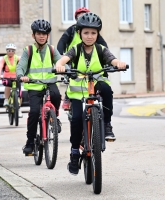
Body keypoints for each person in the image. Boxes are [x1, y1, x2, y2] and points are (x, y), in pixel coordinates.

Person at [55, 12, 127, 175]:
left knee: (107, 90)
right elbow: (63, 59)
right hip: (78, 89)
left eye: (93, 33)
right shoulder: (75, 49)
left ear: (97, 34)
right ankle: (74, 152)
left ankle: (107, 125)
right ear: (79, 33)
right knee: (77, 120)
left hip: (96, 82)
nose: (89, 36)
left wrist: (119, 63)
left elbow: (112, 59)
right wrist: (60, 65)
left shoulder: (101, 49)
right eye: (86, 32)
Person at [17, 19, 64, 154]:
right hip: (34, 86)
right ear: (33, 35)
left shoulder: (52, 50)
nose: (42, 36)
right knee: (34, 113)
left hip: (50, 84)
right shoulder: (28, 50)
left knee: (56, 95)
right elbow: (21, 66)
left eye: (44, 33)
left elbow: (61, 62)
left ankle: (55, 118)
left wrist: (65, 70)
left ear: (48, 35)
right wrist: (21, 75)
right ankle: (30, 142)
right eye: (38, 33)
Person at [57, 7, 108, 110]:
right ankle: (68, 97)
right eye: (80, 16)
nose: (89, 36)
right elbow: (62, 42)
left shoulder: (94, 34)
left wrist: (107, 59)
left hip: (89, 59)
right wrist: (60, 55)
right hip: (72, 58)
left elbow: (104, 45)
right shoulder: (72, 30)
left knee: (101, 82)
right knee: (71, 77)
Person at [0, 43, 23, 118]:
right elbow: (0, 67)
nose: (10, 52)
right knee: (7, 85)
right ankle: (6, 100)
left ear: (15, 51)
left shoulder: (17, 58)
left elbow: (23, 66)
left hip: (17, 77)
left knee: (20, 93)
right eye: (8, 50)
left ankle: (19, 109)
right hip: (7, 77)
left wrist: (25, 75)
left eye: (12, 50)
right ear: (6, 51)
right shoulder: (4, 59)